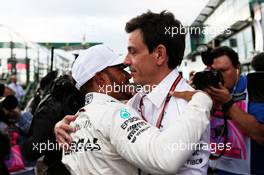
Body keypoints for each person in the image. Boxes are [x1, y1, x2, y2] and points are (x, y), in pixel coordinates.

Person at [55, 11, 211, 174]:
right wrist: (62, 126)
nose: (127, 63)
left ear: (159, 54)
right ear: (100, 79)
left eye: (133, 52)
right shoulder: (132, 102)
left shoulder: (189, 105)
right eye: (120, 67)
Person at [175, 46, 264, 175]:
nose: (218, 76)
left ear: (237, 68)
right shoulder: (209, 90)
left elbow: (260, 135)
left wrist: (227, 103)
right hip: (214, 168)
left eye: (223, 70)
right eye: (214, 71)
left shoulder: (254, 88)